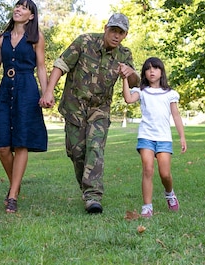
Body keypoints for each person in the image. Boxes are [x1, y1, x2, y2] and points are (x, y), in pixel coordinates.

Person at [40, 13, 139, 214]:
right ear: (105, 28)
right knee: (76, 152)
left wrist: (131, 74)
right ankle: (86, 189)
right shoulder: (85, 42)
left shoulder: (124, 55)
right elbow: (61, 65)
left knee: (95, 148)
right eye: (113, 30)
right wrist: (49, 91)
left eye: (121, 32)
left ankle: (93, 196)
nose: (116, 36)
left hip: (100, 109)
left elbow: (136, 83)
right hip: (75, 106)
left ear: (125, 35)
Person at [0, 0, 48, 214]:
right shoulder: (1, 39)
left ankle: (13, 194)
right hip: (6, 90)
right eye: (18, 6)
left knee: (21, 144)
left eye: (25, 8)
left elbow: (42, 68)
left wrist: (46, 93)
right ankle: (15, 184)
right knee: (3, 146)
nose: (19, 9)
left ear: (31, 16)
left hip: (27, 89)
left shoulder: (36, 38)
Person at [122, 57, 187, 218]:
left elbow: (176, 116)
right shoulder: (141, 91)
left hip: (164, 138)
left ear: (161, 72)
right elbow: (128, 99)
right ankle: (147, 207)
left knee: (165, 174)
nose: (152, 71)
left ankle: (169, 193)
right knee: (148, 169)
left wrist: (182, 137)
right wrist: (124, 79)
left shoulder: (170, 93)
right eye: (148, 68)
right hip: (146, 136)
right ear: (144, 72)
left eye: (155, 68)